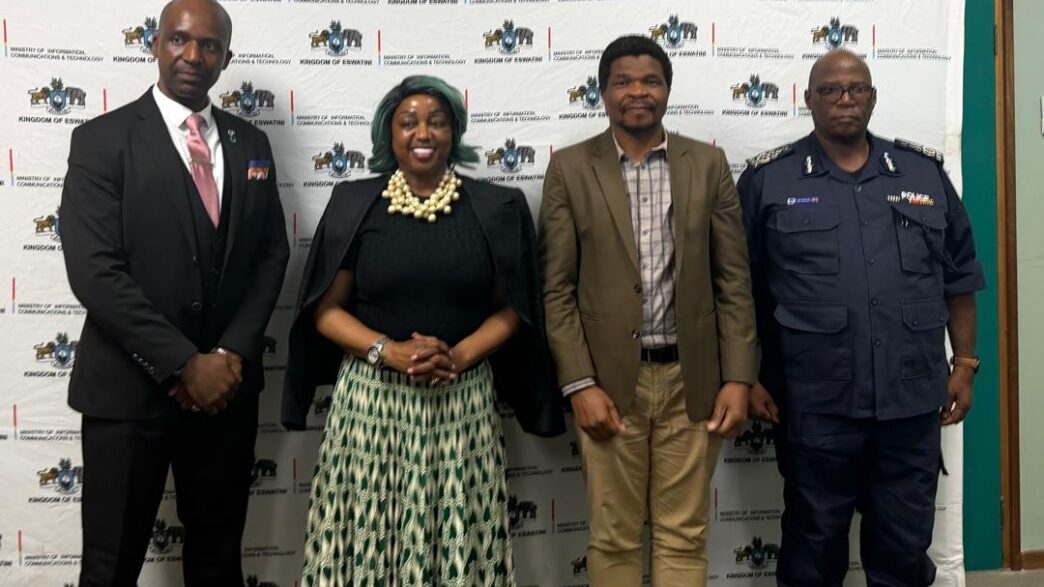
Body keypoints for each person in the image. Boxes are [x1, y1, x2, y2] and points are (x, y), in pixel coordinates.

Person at [282, 75, 564, 586]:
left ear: (454, 132)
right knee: (367, 542)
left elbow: (514, 310)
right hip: (371, 406)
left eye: (437, 121)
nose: (423, 133)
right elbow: (325, 310)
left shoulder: (496, 208)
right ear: (387, 134)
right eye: (407, 122)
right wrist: (386, 350)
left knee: (457, 540)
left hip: (461, 403)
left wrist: (459, 356)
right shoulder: (355, 203)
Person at [59, 0, 290, 584]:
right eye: (180, 39)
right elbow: (94, 271)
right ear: (156, 44)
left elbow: (270, 255)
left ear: (226, 58)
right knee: (110, 565)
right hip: (127, 393)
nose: (193, 55)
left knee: (218, 560)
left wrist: (228, 356)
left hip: (225, 395)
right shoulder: (101, 140)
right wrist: (185, 365)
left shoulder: (251, 143)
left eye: (210, 45)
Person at [737, 49, 985, 586]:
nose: (845, 99)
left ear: (873, 98)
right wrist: (746, 377)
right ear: (809, 99)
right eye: (831, 89)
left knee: (904, 548)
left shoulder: (923, 173)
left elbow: (959, 277)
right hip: (814, 403)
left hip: (909, 401)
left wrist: (964, 364)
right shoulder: (768, 180)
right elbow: (739, 292)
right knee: (812, 546)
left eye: (857, 89)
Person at [539, 35, 757, 587]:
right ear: (603, 92)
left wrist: (738, 378)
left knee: (684, 534)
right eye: (623, 82)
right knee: (613, 537)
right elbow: (557, 290)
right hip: (609, 384)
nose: (637, 91)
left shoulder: (706, 164)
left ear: (667, 90)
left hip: (693, 379)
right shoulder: (570, 168)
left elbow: (733, 280)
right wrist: (580, 383)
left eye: (651, 81)